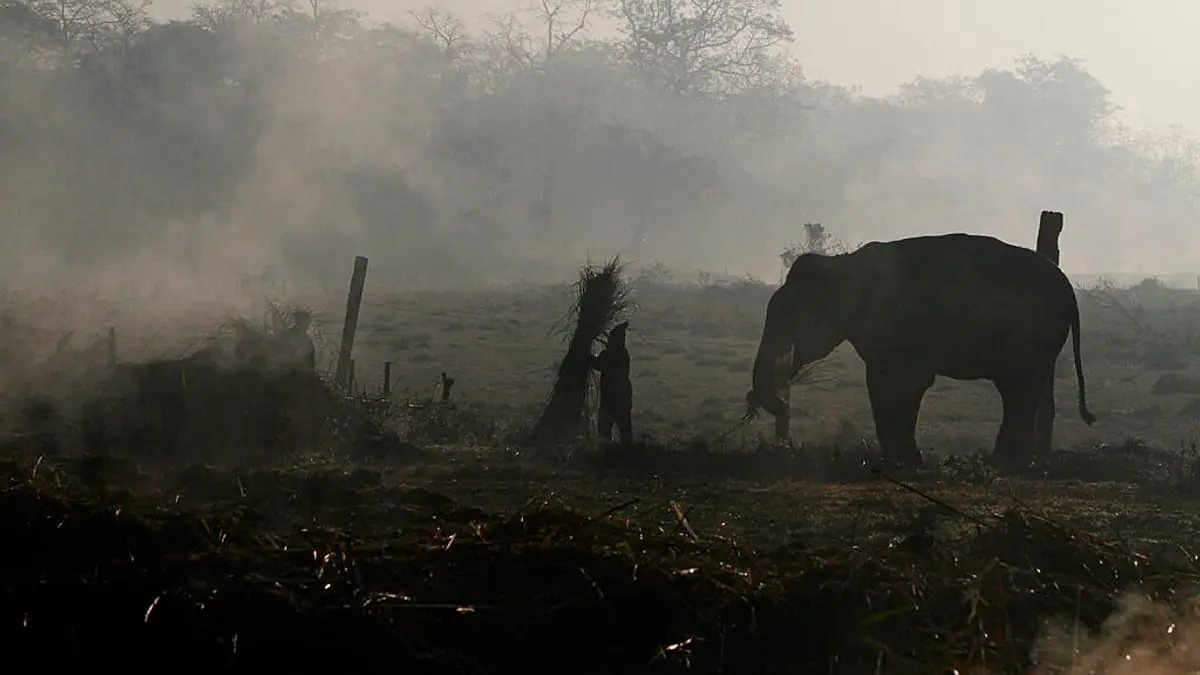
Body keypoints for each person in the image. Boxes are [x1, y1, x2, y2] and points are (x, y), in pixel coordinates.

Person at [591, 321, 632, 445]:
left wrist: (587, 356)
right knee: (625, 431)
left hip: (610, 399)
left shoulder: (610, 353)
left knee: (604, 431)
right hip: (623, 398)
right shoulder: (623, 353)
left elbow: (598, 365)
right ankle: (627, 454)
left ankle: (606, 454)